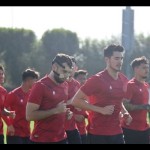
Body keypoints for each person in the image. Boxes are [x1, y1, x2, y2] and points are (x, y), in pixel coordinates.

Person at [72, 44, 132, 144]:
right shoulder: (96, 79)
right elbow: (76, 100)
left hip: (117, 131)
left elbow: (118, 101)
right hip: (97, 133)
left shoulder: (124, 80)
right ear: (107, 59)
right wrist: (100, 110)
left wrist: (125, 112)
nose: (120, 62)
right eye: (116, 58)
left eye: (121, 58)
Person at [26, 53, 73, 144]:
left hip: (61, 138)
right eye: (64, 71)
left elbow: (58, 109)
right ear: (54, 67)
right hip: (41, 139)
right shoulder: (40, 86)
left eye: (68, 72)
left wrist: (65, 113)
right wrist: (55, 110)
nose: (66, 76)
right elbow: (29, 116)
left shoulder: (65, 85)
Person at [4, 68, 39, 144]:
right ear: (28, 80)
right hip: (14, 133)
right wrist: (9, 125)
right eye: (35, 81)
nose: (36, 83)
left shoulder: (32, 95)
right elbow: (3, 110)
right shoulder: (13, 94)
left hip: (27, 134)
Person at [122, 56, 150, 144]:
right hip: (130, 129)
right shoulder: (130, 85)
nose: (147, 70)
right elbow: (124, 105)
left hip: (145, 128)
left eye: (147, 68)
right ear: (136, 69)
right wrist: (142, 107)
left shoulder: (147, 86)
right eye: (144, 68)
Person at [65, 57, 82, 144]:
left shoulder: (77, 84)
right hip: (60, 126)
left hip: (72, 126)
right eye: (69, 66)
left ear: (76, 68)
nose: (71, 69)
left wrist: (78, 106)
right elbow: (55, 104)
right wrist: (72, 101)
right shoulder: (60, 83)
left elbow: (77, 104)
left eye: (73, 66)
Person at [0, 65, 15, 144]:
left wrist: (10, 113)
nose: (1, 76)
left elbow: (3, 109)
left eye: (2, 74)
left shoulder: (3, 91)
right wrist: (9, 124)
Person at [74, 70, 89, 144]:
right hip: (71, 130)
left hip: (83, 130)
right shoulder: (70, 92)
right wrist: (74, 116)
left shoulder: (87, 94)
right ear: (75, 79)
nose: (83, 81)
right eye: (80, 78)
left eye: (84, 78)